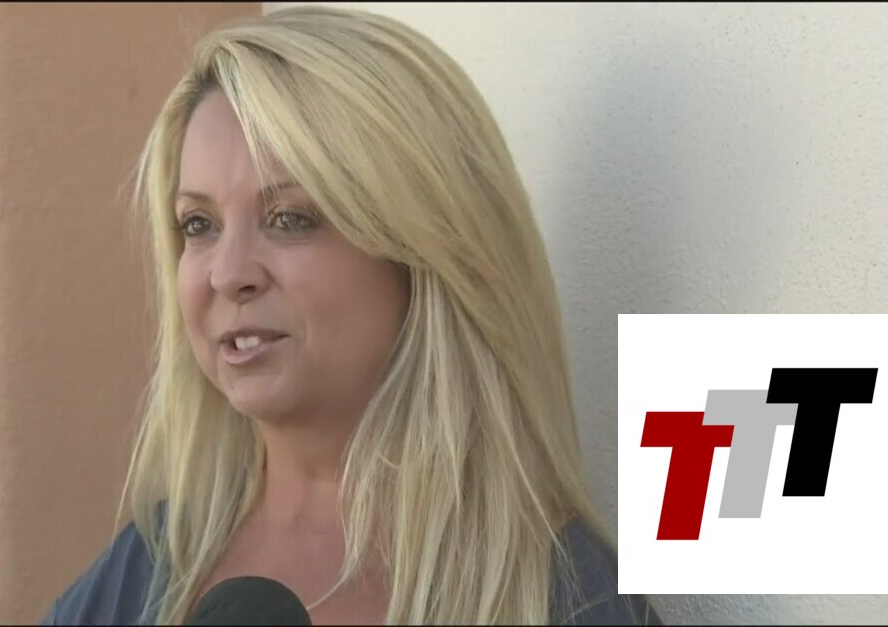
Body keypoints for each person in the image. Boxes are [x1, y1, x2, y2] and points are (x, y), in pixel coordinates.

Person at [42, 5, 661, 625]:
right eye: (199, 224)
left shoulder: (560, 593)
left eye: (289, 219)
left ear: (419, 253)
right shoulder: (143, 570)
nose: (227, 274)